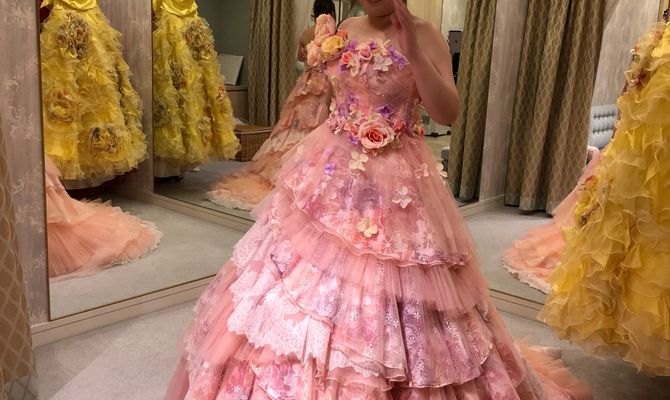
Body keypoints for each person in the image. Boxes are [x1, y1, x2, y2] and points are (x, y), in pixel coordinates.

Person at [166, 1, 589, 398]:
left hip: (397, 181)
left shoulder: (425, 33)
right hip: (331, 169)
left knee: (398, 280)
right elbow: (334, 97)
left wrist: (415, 53)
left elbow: (447, 113)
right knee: (295, 276)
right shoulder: (347, 27)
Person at [539, 21, 670, 376]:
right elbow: (629, 113)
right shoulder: (656, 44)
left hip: (648, 170)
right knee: (631, 250)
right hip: (636, 166)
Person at [207, 0, 336, 210]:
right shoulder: (335, 35)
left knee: (294, 127)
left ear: (314, 12)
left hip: (307, 84)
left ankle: (284, 169)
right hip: (327, 86)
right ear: (332, 11)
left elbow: (300, 58)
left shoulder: (306, 33)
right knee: (319, 128)